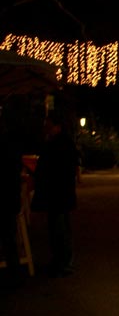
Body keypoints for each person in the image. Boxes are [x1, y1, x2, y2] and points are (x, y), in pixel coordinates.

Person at [31, 112, 80, 277]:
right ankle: (63, 261)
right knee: (60, 228)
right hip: (61, 194)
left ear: (57, 127)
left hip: (57, 193)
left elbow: (50, 168)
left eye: (48, 125)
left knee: (59, 229)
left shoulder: (57, 144)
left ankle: (63, 262)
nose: (46, 128)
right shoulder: (63, 143)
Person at [0, 112, 25, 289]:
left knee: (8, 237)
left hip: (5, 197)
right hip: (10, 197)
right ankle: (14, 274)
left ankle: (14, 275)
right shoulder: (12, 145)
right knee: (9, 237)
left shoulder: (6, 146)